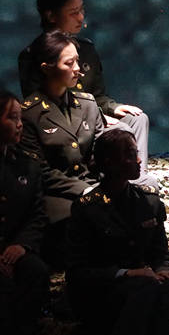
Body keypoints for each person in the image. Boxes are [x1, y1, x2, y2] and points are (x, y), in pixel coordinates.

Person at [18, 0, 151, 174]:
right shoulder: (33, 56)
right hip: (66, 126)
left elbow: (97, 95)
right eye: (73, 13)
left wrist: (112, 107)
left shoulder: (86, 49)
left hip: (92, 113)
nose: (81, 18)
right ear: (51, 15)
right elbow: (42, 106)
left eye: (82, 10)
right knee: (122, 132)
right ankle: (121, 180)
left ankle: (137, 178)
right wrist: (97, 118)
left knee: (137, 119)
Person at [66, 129, 169, 335]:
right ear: (110, 162)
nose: (139, 161)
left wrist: (162, 270)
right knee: (144, 289)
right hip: (104, 290)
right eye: (131, 155)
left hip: (143, 287)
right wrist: (127, 273)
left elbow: (160, 252)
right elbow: (78, 271)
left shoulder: (148, 202)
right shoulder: (87, 207)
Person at [19, 30, 104, 268]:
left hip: (93, 186)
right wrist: (85, 191)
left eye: (77, 61)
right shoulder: (29, 114)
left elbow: (101, 154)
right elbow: (40, 172)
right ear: (46, 68)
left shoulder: (87, 104)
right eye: (69, 63)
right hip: (56, 195)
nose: (78, 69)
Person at [0, 90, 49, 335]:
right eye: (12, 118)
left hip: (14, 247)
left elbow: (37, 214)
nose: (20, 124)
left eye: (21, 118)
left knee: (35, 271)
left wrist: (22, 245)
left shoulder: (28, 165)